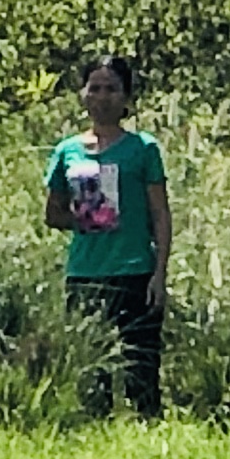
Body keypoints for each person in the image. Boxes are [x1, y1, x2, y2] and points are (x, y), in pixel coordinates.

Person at [44, 52, 170, 420]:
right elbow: (53, 214)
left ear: (126, 97)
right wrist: (87, 218)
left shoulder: (143, 149)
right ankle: (95, 435)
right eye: (94, 88)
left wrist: (159, 273)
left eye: (112, 89)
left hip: (134, 271)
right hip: (86, 272)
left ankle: (151, 433)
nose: (102, 97)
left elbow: (160, 213)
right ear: (82, 94)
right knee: (91, 365)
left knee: (141, 365)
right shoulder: (67, 151)